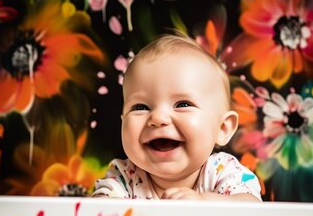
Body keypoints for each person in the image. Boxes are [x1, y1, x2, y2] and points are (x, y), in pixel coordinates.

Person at [93, 32, 262, 201]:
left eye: (183, 104)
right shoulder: (124, 177)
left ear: (222, 128)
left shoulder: (222, 171)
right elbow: (96, 213)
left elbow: (253, 210)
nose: (158, 118)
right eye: (140, 107)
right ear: (123, 122)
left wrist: (205, 203)